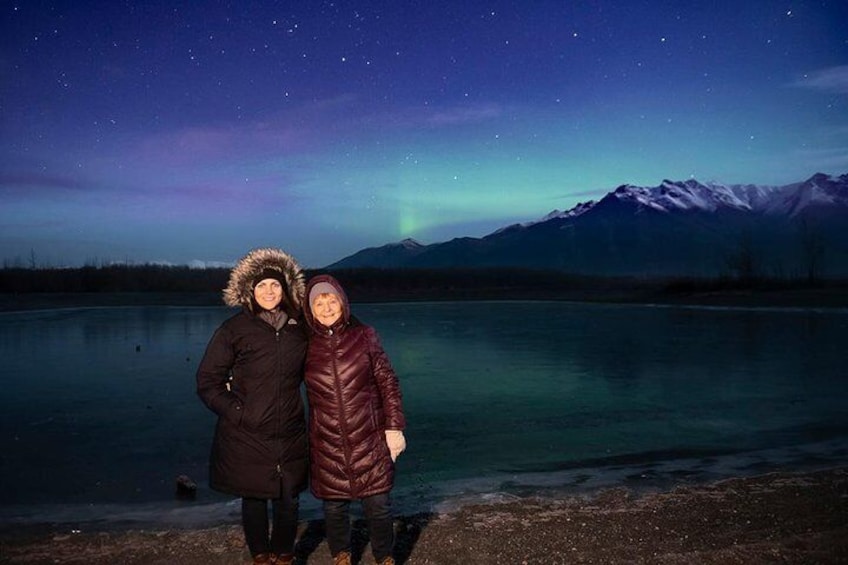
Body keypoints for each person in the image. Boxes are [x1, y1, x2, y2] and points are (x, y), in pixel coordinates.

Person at [196, 248, 309, 565]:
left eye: (275, 285)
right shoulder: (234, 329)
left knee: (289, 499)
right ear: (250, 290)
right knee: (255, 497)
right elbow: (207, 380)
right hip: (246, 431)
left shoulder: (299, 327)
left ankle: (284, 556)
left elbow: (334, 329)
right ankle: (261, 556)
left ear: (285, 289)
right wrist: (236, 411)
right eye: (262, 286)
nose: (269, 292)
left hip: (289, 428)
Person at [303, 274, 407, 565]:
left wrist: (395, 427)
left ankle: (384, 557)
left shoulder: (364, 335)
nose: (326, 308)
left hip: (369, 436)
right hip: (327, 440)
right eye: (318, 303)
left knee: (378, 505)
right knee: (334, 508)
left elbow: (388, 382)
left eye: (331, 300)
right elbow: (277, 373)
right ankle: (342, 555)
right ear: (310, 309)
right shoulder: (306, 344)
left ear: (342, 302)